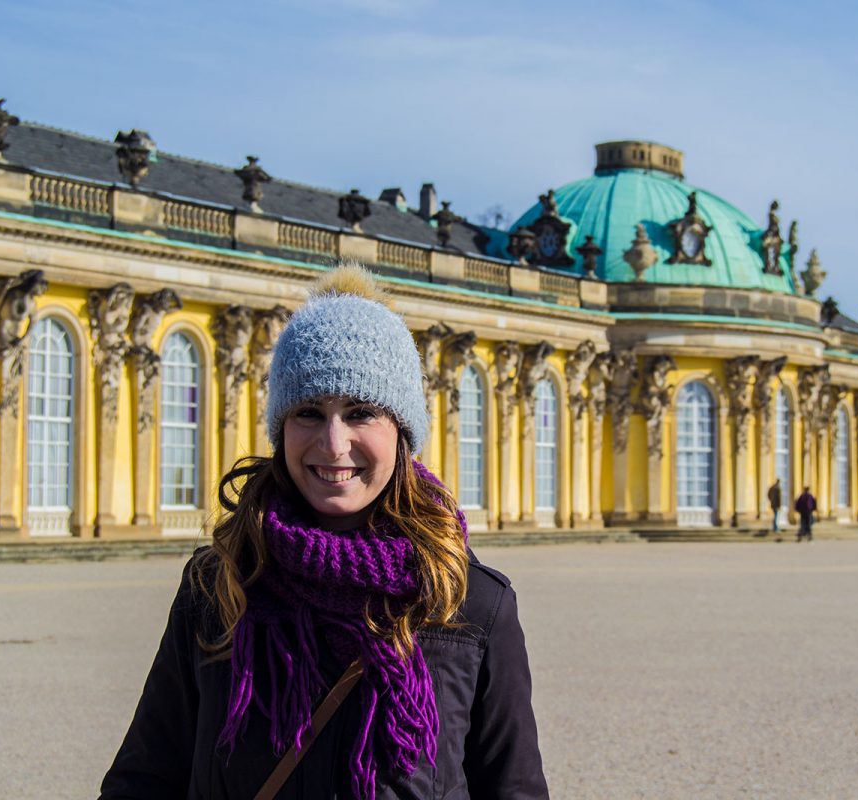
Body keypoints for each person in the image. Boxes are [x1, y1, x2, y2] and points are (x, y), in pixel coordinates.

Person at [100, 264, 549, 800]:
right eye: (309, 412)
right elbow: (147, 778)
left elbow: (515, 790)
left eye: (360, 412)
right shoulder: (218, 585)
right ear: (281, 429)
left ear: (402, 434)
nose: (334, 444)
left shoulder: (468, 602)